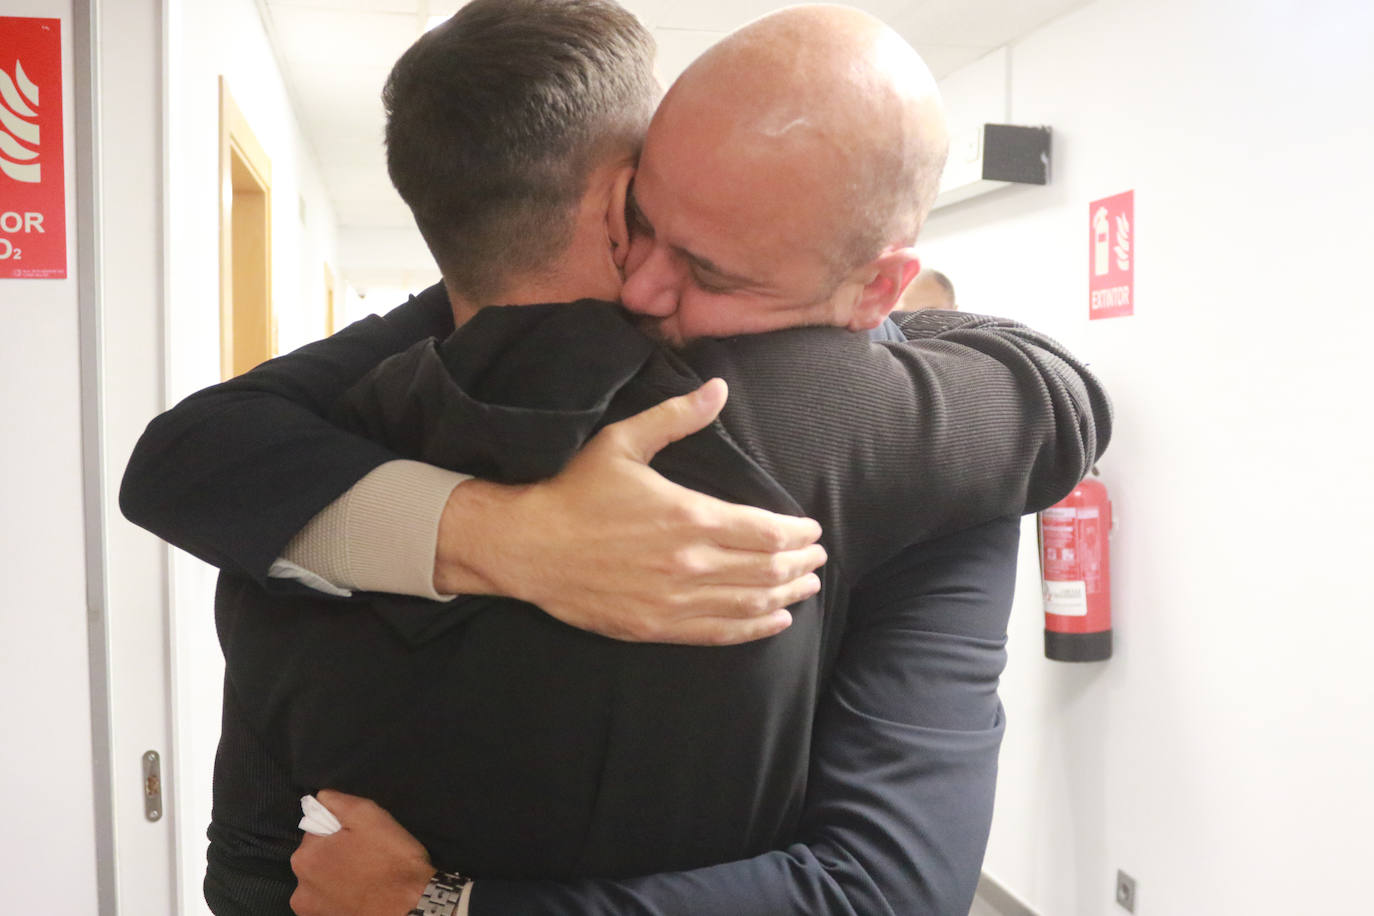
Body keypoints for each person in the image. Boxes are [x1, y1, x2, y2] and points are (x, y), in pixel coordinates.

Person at [120, 3, 1111, 915]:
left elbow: (252, 864)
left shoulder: (313, 456)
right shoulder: (910, 446)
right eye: (648, 223)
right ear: (614, 198)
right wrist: (505, 539)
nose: (643, 287)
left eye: (712, 269)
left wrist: (446, 902)